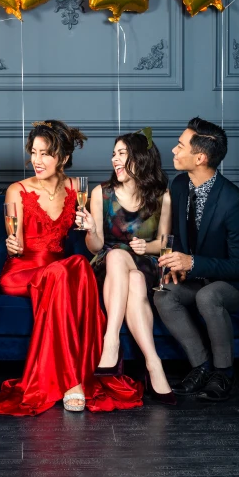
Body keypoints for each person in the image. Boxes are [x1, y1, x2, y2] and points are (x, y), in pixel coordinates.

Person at [0, 120, 143, 416]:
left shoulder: (78, 189)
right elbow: (16, 242)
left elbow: (93, 247)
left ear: (63, 158)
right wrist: (12, 244)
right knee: (68, 270)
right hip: (22, 271)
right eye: (34, 153)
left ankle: (80, 375)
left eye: (45, 154)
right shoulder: (18, 189)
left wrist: (90, 227)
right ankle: (73, 382)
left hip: (59, 272)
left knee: (76, 264)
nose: (36, 161)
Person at [154, 117, 239, 402]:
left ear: (199, 157)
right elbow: (175, 235)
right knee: (164, 295)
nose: (174, 151)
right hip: (197, 279)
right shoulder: (179, 185)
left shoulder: (234, 202)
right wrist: (171, 264)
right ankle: (201, 367)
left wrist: (192, 263)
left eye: (180, 146)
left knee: (209, 296)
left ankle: (224, 373)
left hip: (233, 284)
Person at [80, 130, 176, 406]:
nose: (115, 160)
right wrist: (90, 230)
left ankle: (112, 344)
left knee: (135, 278)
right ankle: (153, 364)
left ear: (141, 158)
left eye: (122, 154)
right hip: (107, 268)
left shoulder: (161, 196)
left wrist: (149, 248)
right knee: (116, 257)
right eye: (114, 154)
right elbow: (96, 247)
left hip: (144, 265)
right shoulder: (101, 193)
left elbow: (163, 243)